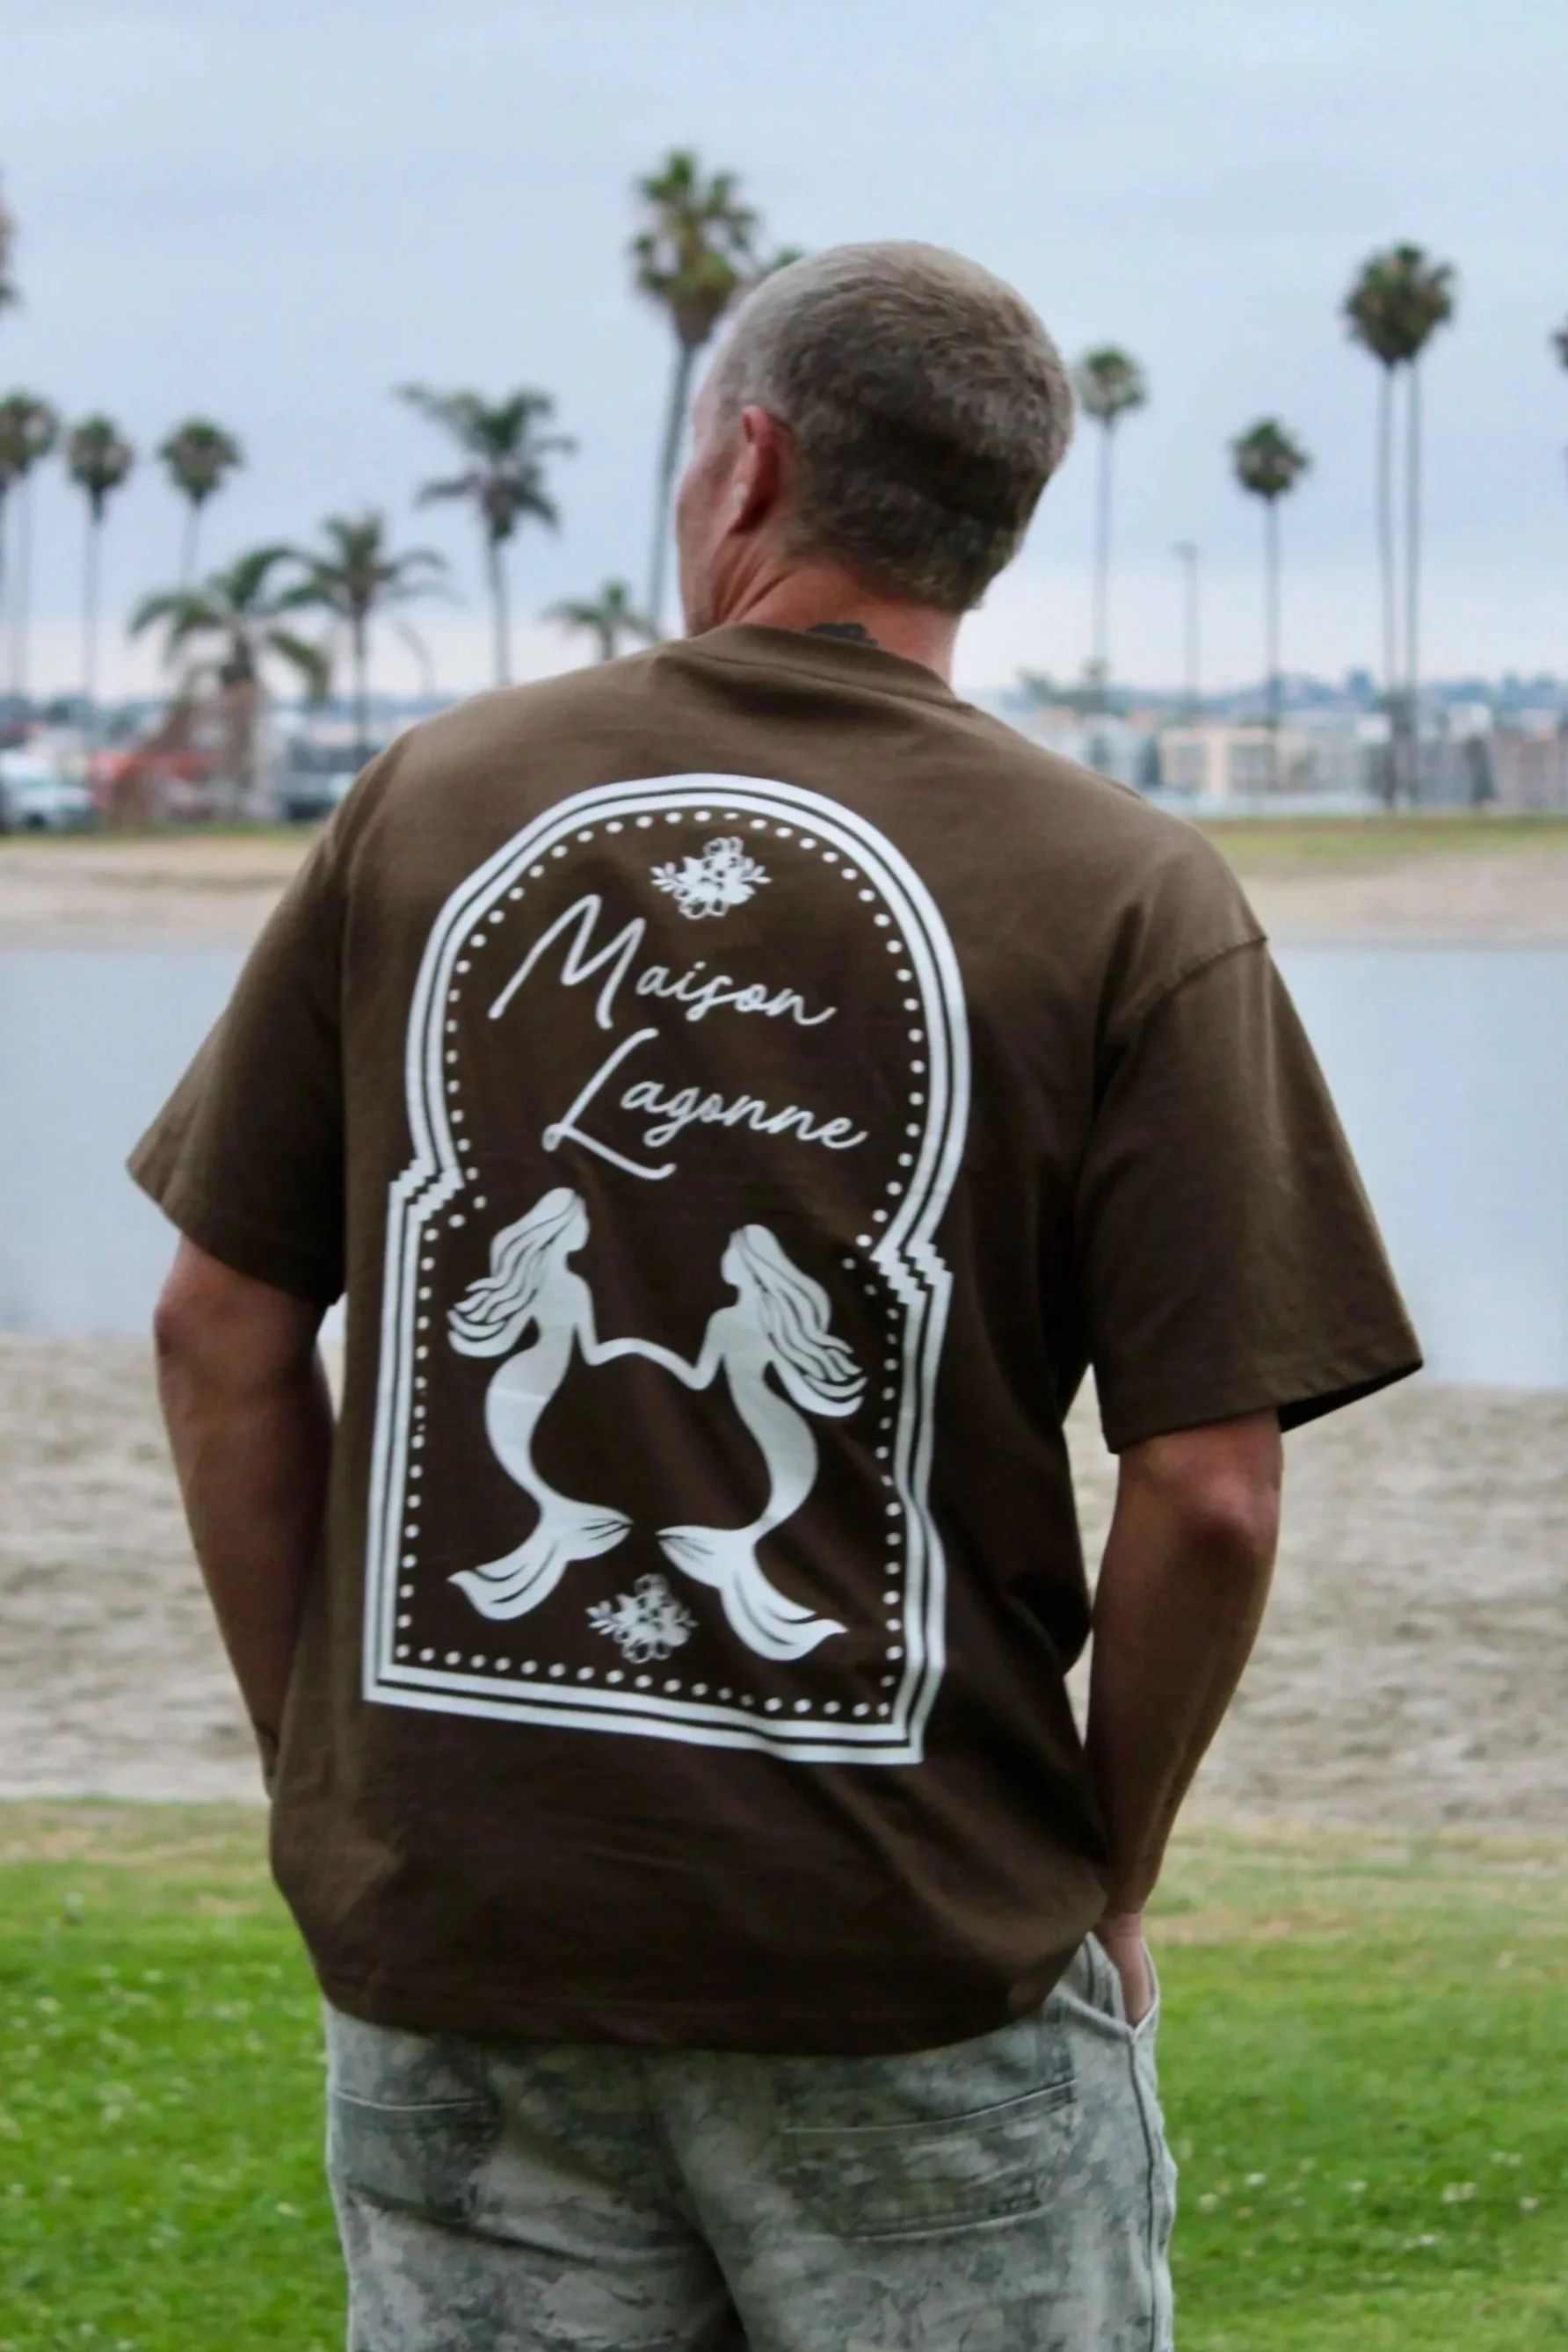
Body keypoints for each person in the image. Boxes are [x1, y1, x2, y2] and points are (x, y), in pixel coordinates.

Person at [133, 242, 1419, 2351]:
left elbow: (220, 1326)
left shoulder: (434, 806)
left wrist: (340, 1776)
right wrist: (1108, 1877)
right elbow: (1209, 1494)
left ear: (745, 466)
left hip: (468, 1945)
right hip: (911, 1960)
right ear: (990, 533)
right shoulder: (1125, 893)